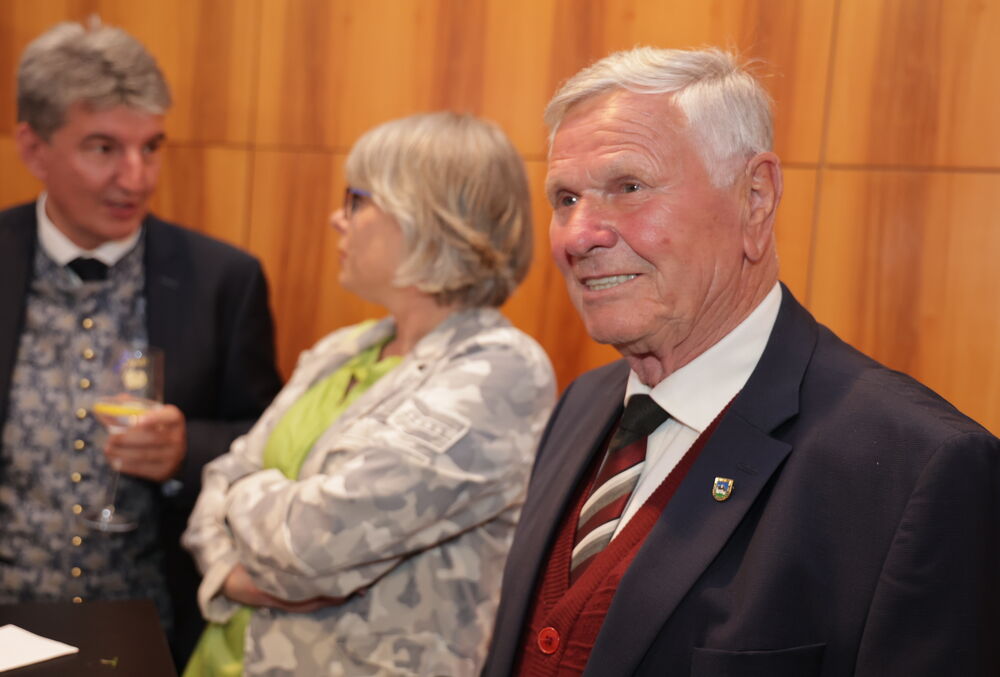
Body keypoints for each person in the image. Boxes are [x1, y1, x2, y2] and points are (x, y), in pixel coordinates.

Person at [482, 47, 1000, 677]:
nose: (577, 235)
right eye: (566, 198)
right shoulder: (581, 406)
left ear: (756, 197)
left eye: (629, 187)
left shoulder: (915, 468)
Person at [181, 111, 556, 676]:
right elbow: (216, 480)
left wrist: (243, 494)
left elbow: (310, 547)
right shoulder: (343, 349)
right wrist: (232, 575)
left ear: (426, 217)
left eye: (356, 200)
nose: (338, 219)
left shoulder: (499, 371)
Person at [0, 19, 282, 666]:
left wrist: (187, 451)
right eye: (103, 148)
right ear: (34, 148)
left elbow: (266, 442)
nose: (136, 177)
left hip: (154, 632)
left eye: (151, 147)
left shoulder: (223, 279)